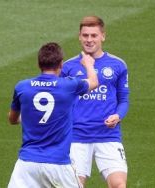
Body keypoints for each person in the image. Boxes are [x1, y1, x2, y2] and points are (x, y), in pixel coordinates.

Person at [7, 42, 98, 188]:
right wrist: (88, 64)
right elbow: (94, 81)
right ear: (61, 64)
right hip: (58, 164)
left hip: (26, 164)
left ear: (39, 64)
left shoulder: (22, 87)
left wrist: (28, 117)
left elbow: (12, 119)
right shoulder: (69, 85)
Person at [61, 16, 130, 188]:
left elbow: (124, 99)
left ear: (103, 36)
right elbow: (60, 101)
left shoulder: (118, 65)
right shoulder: (68, 67)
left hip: (108, 136)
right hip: (76, 137)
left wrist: (118, 115)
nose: (89, 40)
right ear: (79, 36)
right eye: (85, 35)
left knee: (119, 185)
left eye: (93, 35)